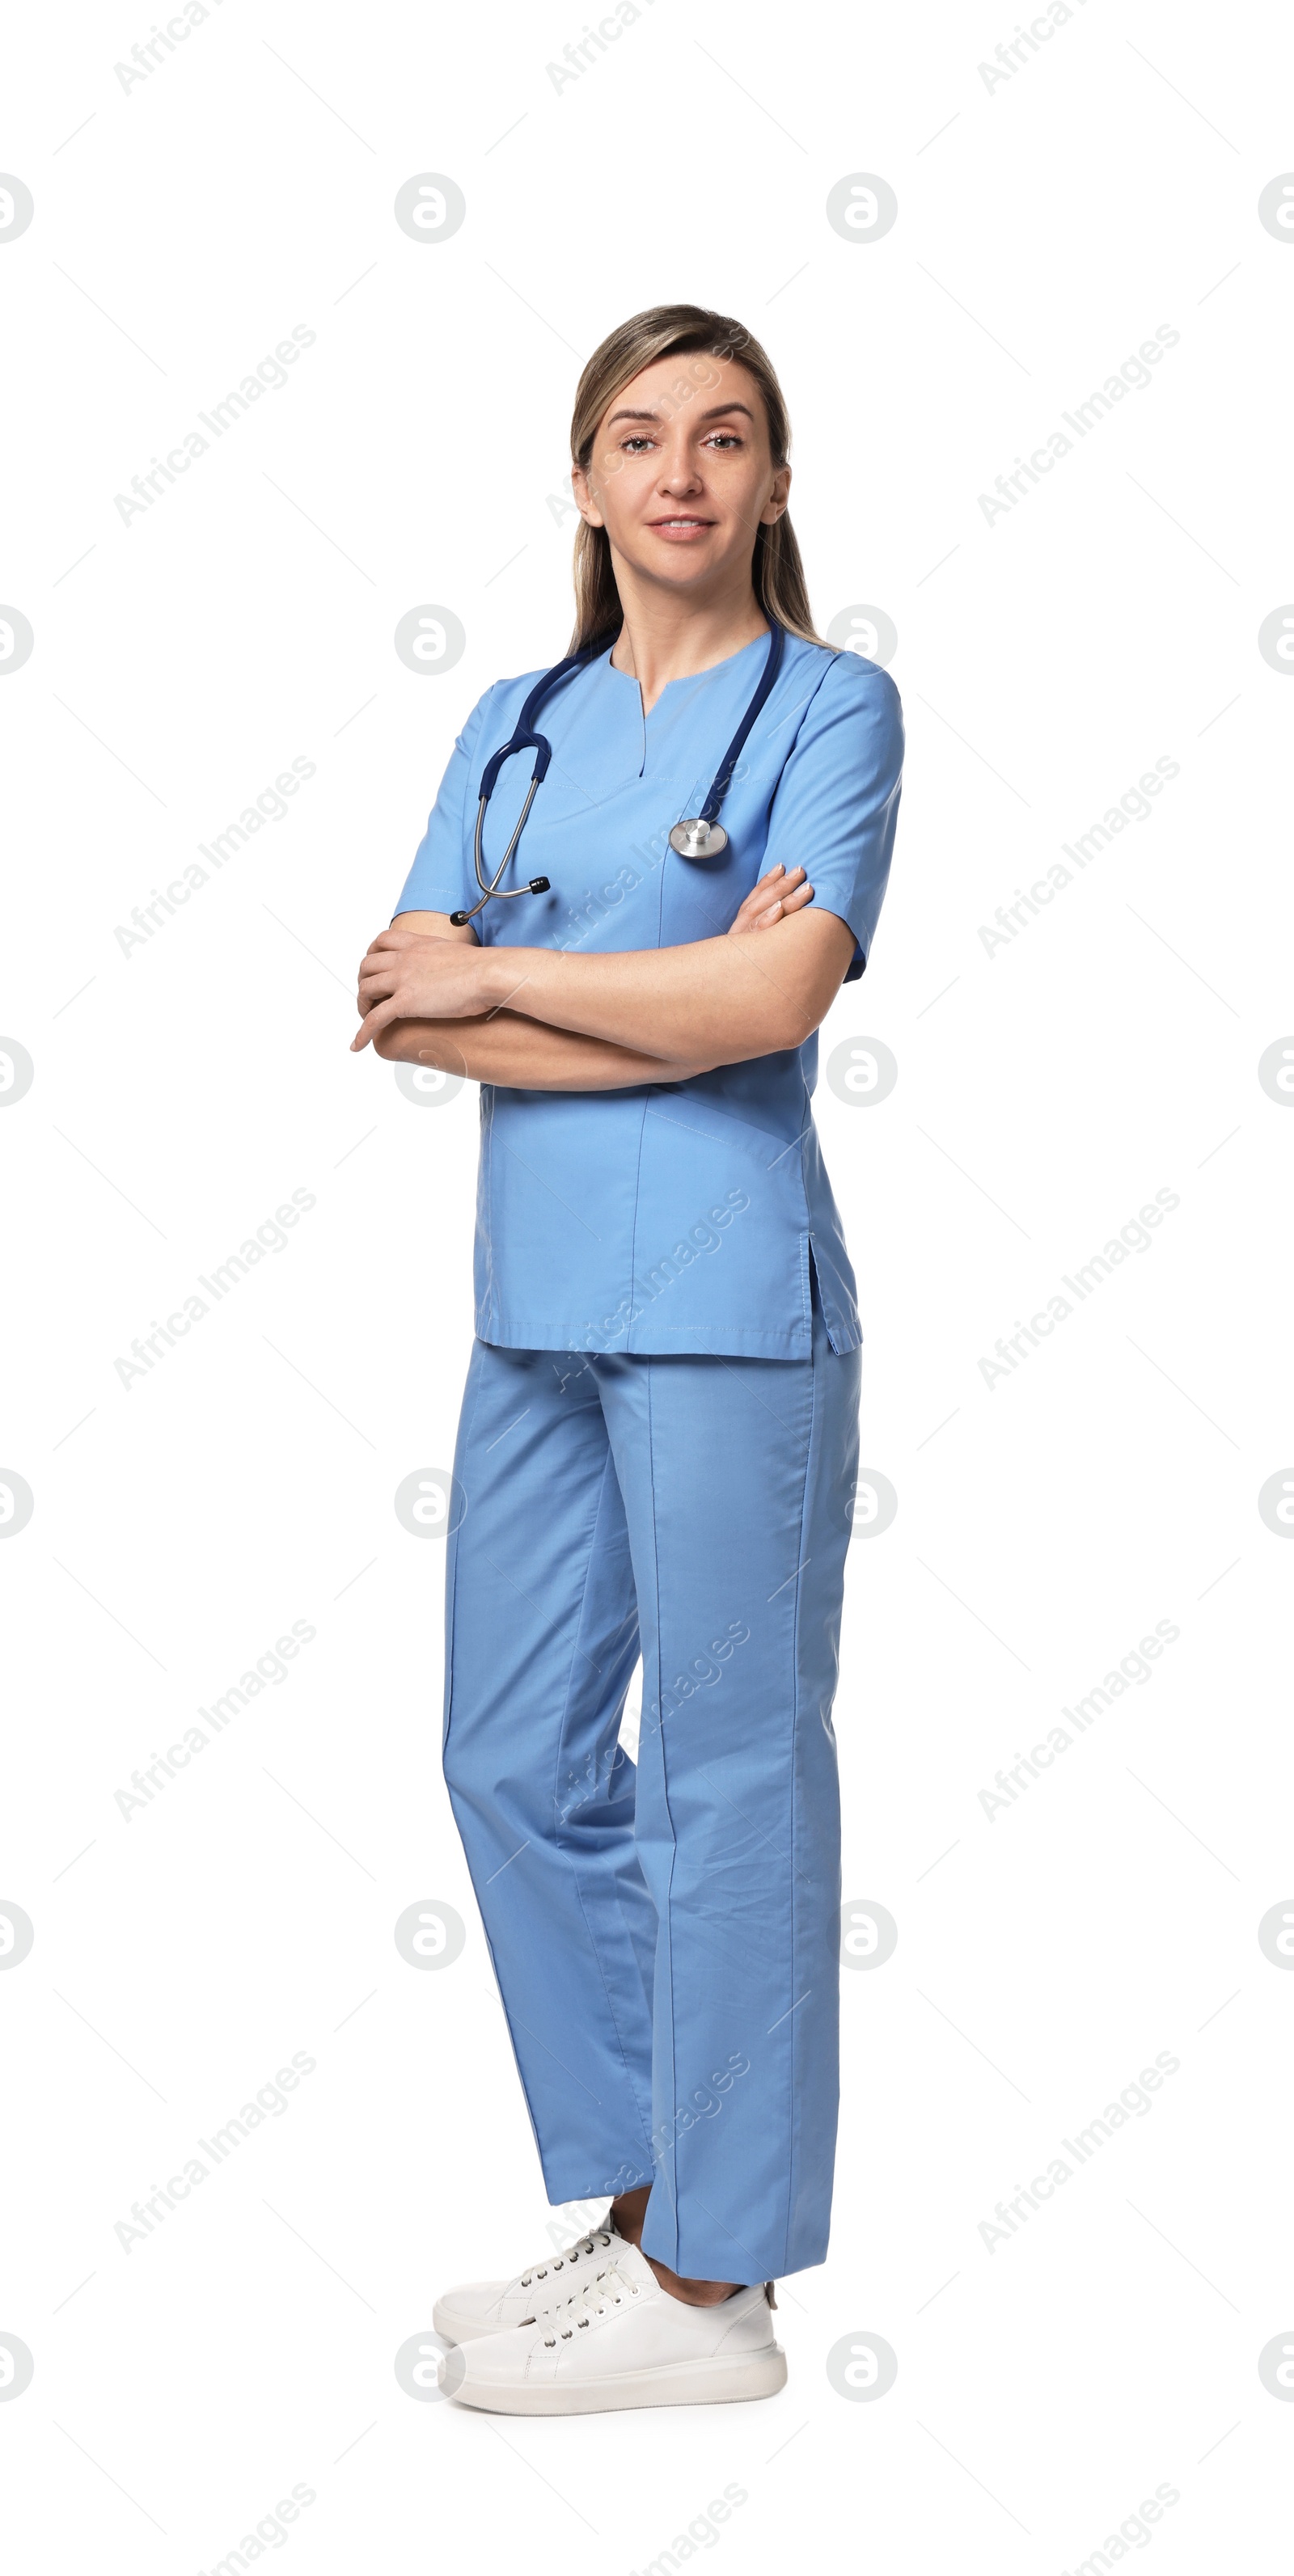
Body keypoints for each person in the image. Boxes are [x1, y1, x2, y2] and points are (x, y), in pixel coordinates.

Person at [352, 302, 903, 2415]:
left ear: (771, 480)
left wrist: (519, 975)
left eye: (727, 437)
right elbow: (405, 1006)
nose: (681, 474)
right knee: (509, 1755)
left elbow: (769, 1015)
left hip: (729, 1304)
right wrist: (642, 974)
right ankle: (666, 2208)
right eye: (641, 437)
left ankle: (709, 2287)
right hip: (535, 1310)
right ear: (586, 480)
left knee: (726, 1777)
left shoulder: (831, 708)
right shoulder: (516, 721)